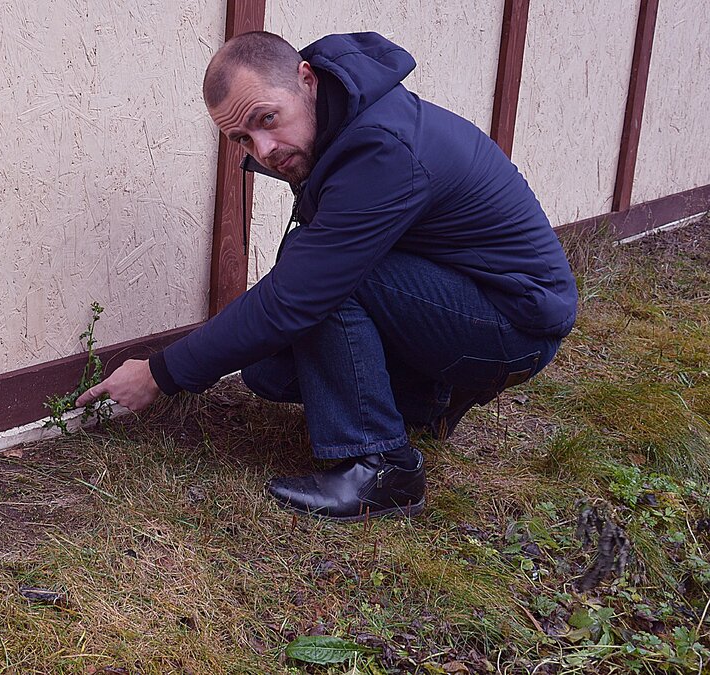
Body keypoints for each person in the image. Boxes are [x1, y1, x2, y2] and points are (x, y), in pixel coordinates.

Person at [75, 31, 577, 521]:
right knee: (269, 371)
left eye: (267, 119)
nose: (264, 148)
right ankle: (424, 402)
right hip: (469, 303)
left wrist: (160, 373)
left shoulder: (382, 147)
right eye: (242, 139)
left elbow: (297, 297)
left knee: (320, 279)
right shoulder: (346, 126)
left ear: (307, 80)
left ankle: (384, 471)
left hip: (513, 326)